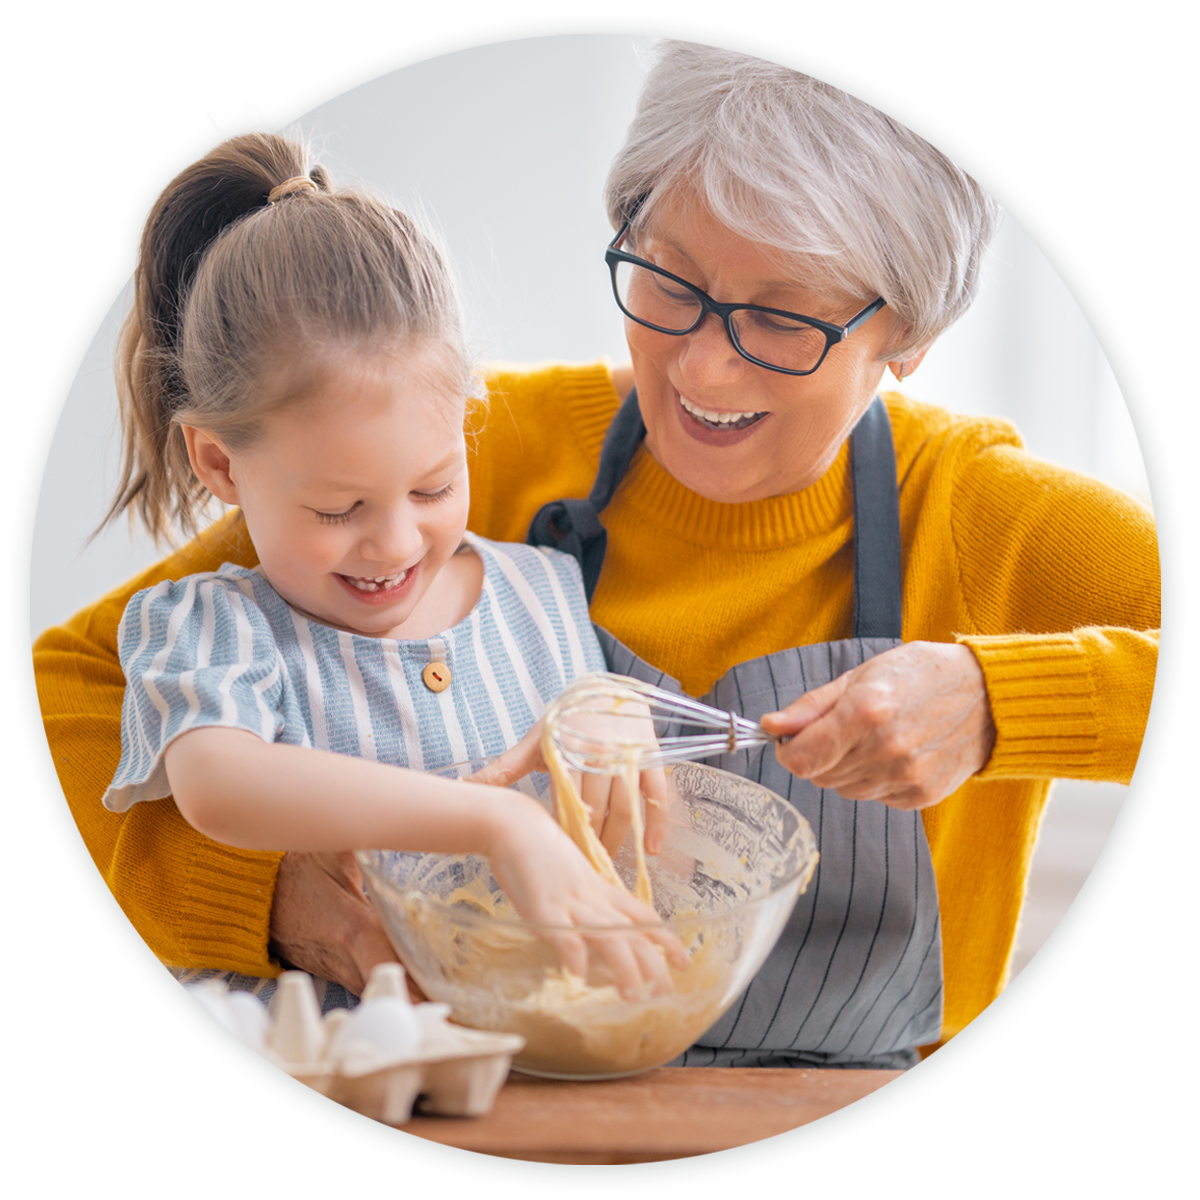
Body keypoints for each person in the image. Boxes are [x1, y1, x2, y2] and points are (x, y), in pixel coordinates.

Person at [32, 35, 1159, 1067]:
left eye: (781, 318)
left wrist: (999, 701)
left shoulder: (980, 516)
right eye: (668, 280)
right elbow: (53, 695)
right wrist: (263, 892)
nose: (704, 373)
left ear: (908, 333)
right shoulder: (462, 462)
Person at [45, 122, 686, 1009]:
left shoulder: (544, 593)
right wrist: (493, 821)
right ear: (220, 464)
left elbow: (637, 810)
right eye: (337, 510)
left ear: (468, 419)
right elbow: (221, 789)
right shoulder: (206, 628)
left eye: (431, 488)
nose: (392, 544)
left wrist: (611, 713)